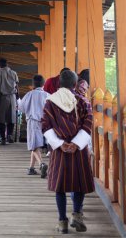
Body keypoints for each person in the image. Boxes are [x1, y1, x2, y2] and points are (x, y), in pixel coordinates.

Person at [42, 70, 94, 234]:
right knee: (78, 183)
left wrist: (59, 143)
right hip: (78, 149)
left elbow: (45, 125)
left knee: (60, 186)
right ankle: (77, 215)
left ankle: (62, 221)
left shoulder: (50, 102)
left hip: (60, 149)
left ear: (59, 84)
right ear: (75, 84)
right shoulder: (83, 101)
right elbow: (88, 124)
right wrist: (76, 144)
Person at [18, 75, 49, 178]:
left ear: (32, 85)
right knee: (36, 145)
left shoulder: (29, 94)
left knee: (33, 145)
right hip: (45, 123)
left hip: (33, 121)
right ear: (43, 84)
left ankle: (41, 164)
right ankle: (31, 168)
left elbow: (21, 108)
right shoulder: (47, 95)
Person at [0, 58, 19, 145]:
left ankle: (3, 138)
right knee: (12, 117)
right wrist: (17, 97)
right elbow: (17, 86)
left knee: (1, 118)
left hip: (3, 97)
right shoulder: (14, 73)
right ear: (7, 64)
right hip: (13, 97)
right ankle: (9, 135)